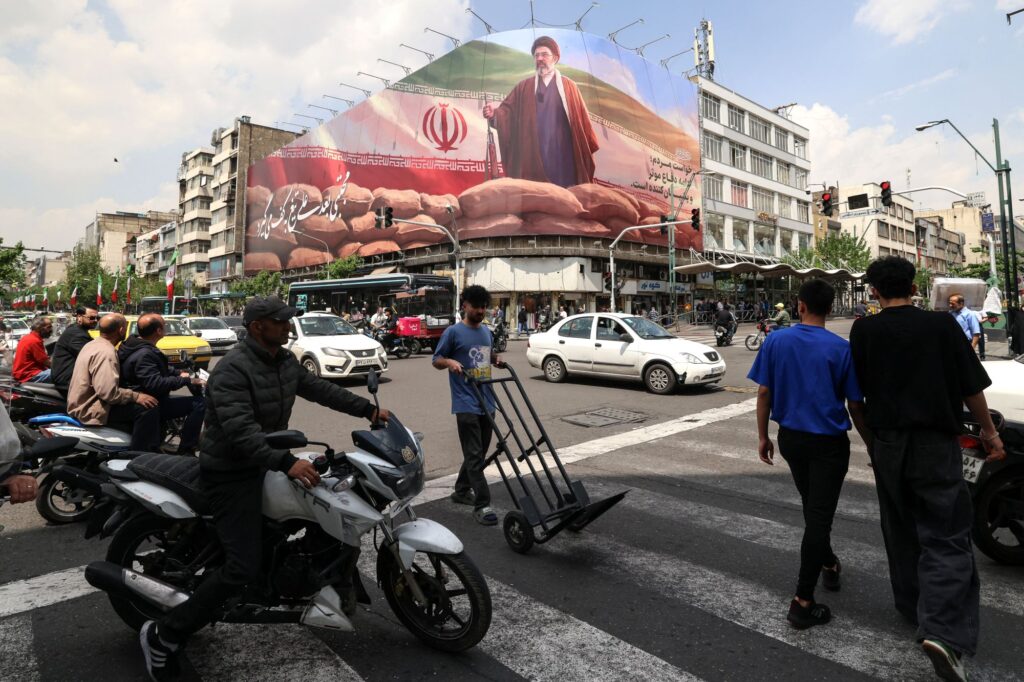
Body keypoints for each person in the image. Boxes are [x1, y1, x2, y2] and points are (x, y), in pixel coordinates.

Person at [140, 296, 390, 680]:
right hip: (231, 471)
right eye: (281, 321)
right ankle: (164, 635)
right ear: (259, 326)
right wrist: (287, 462)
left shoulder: (284, 360)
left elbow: (321, 389)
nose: (288, 327)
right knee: (242, 566)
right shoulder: (232, 370)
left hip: (268, 460)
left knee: (326, 506)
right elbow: (241, 432)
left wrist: (367, 410)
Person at [849, 257, 1005, 681]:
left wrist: (874, 444)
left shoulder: (864, 330)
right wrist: (990, 434)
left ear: (874, 291)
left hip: (888, 443)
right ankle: (942, 631)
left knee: (899, 527)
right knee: (947, 536)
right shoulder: (940, 326)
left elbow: (855, 401)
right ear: (914, 286)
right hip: (935, 443)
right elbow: (972, 387)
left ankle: (914, 608)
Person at [748, 279, 867, 630]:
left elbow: (764, 393)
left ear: (799, 306)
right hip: (828, 445)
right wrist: (873, 445)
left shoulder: (776, 340)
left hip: (792, 441)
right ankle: (802, 601)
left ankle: (828, 563)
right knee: (818, 515)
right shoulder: (840, 348)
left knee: (814, 509)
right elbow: (856, 405)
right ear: (830, 309)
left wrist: (762, 437)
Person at [482, 35, 599, 187]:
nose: (540, 58)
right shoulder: (524, 87)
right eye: (536, 55)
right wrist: (494, 114)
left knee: (567, 196)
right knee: (536, 193)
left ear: (555, 58)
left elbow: (582, 125)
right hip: (534, 152)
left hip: (563, 152)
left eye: (544, 54)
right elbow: (507, 112)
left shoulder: (570, 87)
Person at [432, 285, 499, 526]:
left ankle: (461, 490)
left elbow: (483, 355)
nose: (481, 311)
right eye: (476, 306)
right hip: (465, 402)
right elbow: (436, 360)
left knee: (479, 453)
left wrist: (496, 360)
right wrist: (449, 361)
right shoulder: (453, 332)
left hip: (487, 401)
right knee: (473, 455)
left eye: (484, 306)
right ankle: (482, 505)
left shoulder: (486, 333)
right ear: (465, 306)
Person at [66, 314, 160, 450]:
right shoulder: (106, 352)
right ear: (121, 330)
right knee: (148, 409)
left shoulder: (92, 344)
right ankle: (139, 455)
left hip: (82, 403)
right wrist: (136, 396)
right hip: (90, 409)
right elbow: (108, 393)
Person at [118, 313, 206, 455]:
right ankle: (186, 450)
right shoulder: (145, 353)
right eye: (164, 326)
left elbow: (158, 368)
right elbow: (155, 383)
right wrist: (186, 380)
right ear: (158, 331)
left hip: (147, 399)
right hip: (150, 401)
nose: (165, 328)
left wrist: (179, 373)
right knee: (200, 403)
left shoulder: (135, 346)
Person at [50, 306, 99, 395]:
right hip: (68, 380)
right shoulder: (76, 334)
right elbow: (92, 357)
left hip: (71, 377)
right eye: (92, 318)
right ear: (79, 317)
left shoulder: (78, 330)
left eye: (97, 318)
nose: (95, 320)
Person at [12, 317, 53, 383]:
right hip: (29, 375)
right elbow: (46, 362)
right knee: (63, 373)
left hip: (24, 373)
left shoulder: (28, 337)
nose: (51, 330)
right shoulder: (34, 341)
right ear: (39, 328)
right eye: (49, 327)